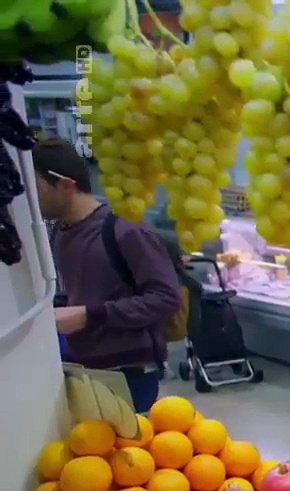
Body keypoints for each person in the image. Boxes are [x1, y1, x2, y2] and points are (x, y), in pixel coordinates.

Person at [32, 137, 182, 411]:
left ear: (66, 185)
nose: (30, 199)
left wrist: (89, 315)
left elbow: (166, 298)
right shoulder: (59, 232)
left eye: (36, 189)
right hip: (82, 369)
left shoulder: (124, 229)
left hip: (128, 373)